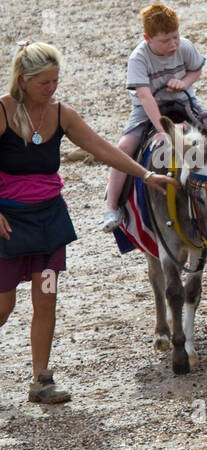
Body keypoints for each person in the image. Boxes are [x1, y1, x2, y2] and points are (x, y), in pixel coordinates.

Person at [0, 42, 176, 403]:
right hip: (8, 224)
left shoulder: (61, 113)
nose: (52, 89)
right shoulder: (2, 111)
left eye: (55, 81)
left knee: (46, 299)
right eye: (44, 83)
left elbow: (102, 148)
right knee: (3, 307)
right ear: (24, 80)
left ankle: (41, 381)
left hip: (49, 223)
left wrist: (144, 175)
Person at [102, 2, 207, 232]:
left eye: (175, 37)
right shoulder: (138, 58)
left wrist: (185, 82)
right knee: (124, 146)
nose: (173, 44)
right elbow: (145, 97)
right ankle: (111, 205)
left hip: (184, 102)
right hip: (148, 109)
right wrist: (163, 129)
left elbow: (196, 70)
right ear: (147, 38)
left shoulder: (184, 47)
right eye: (165, 40)